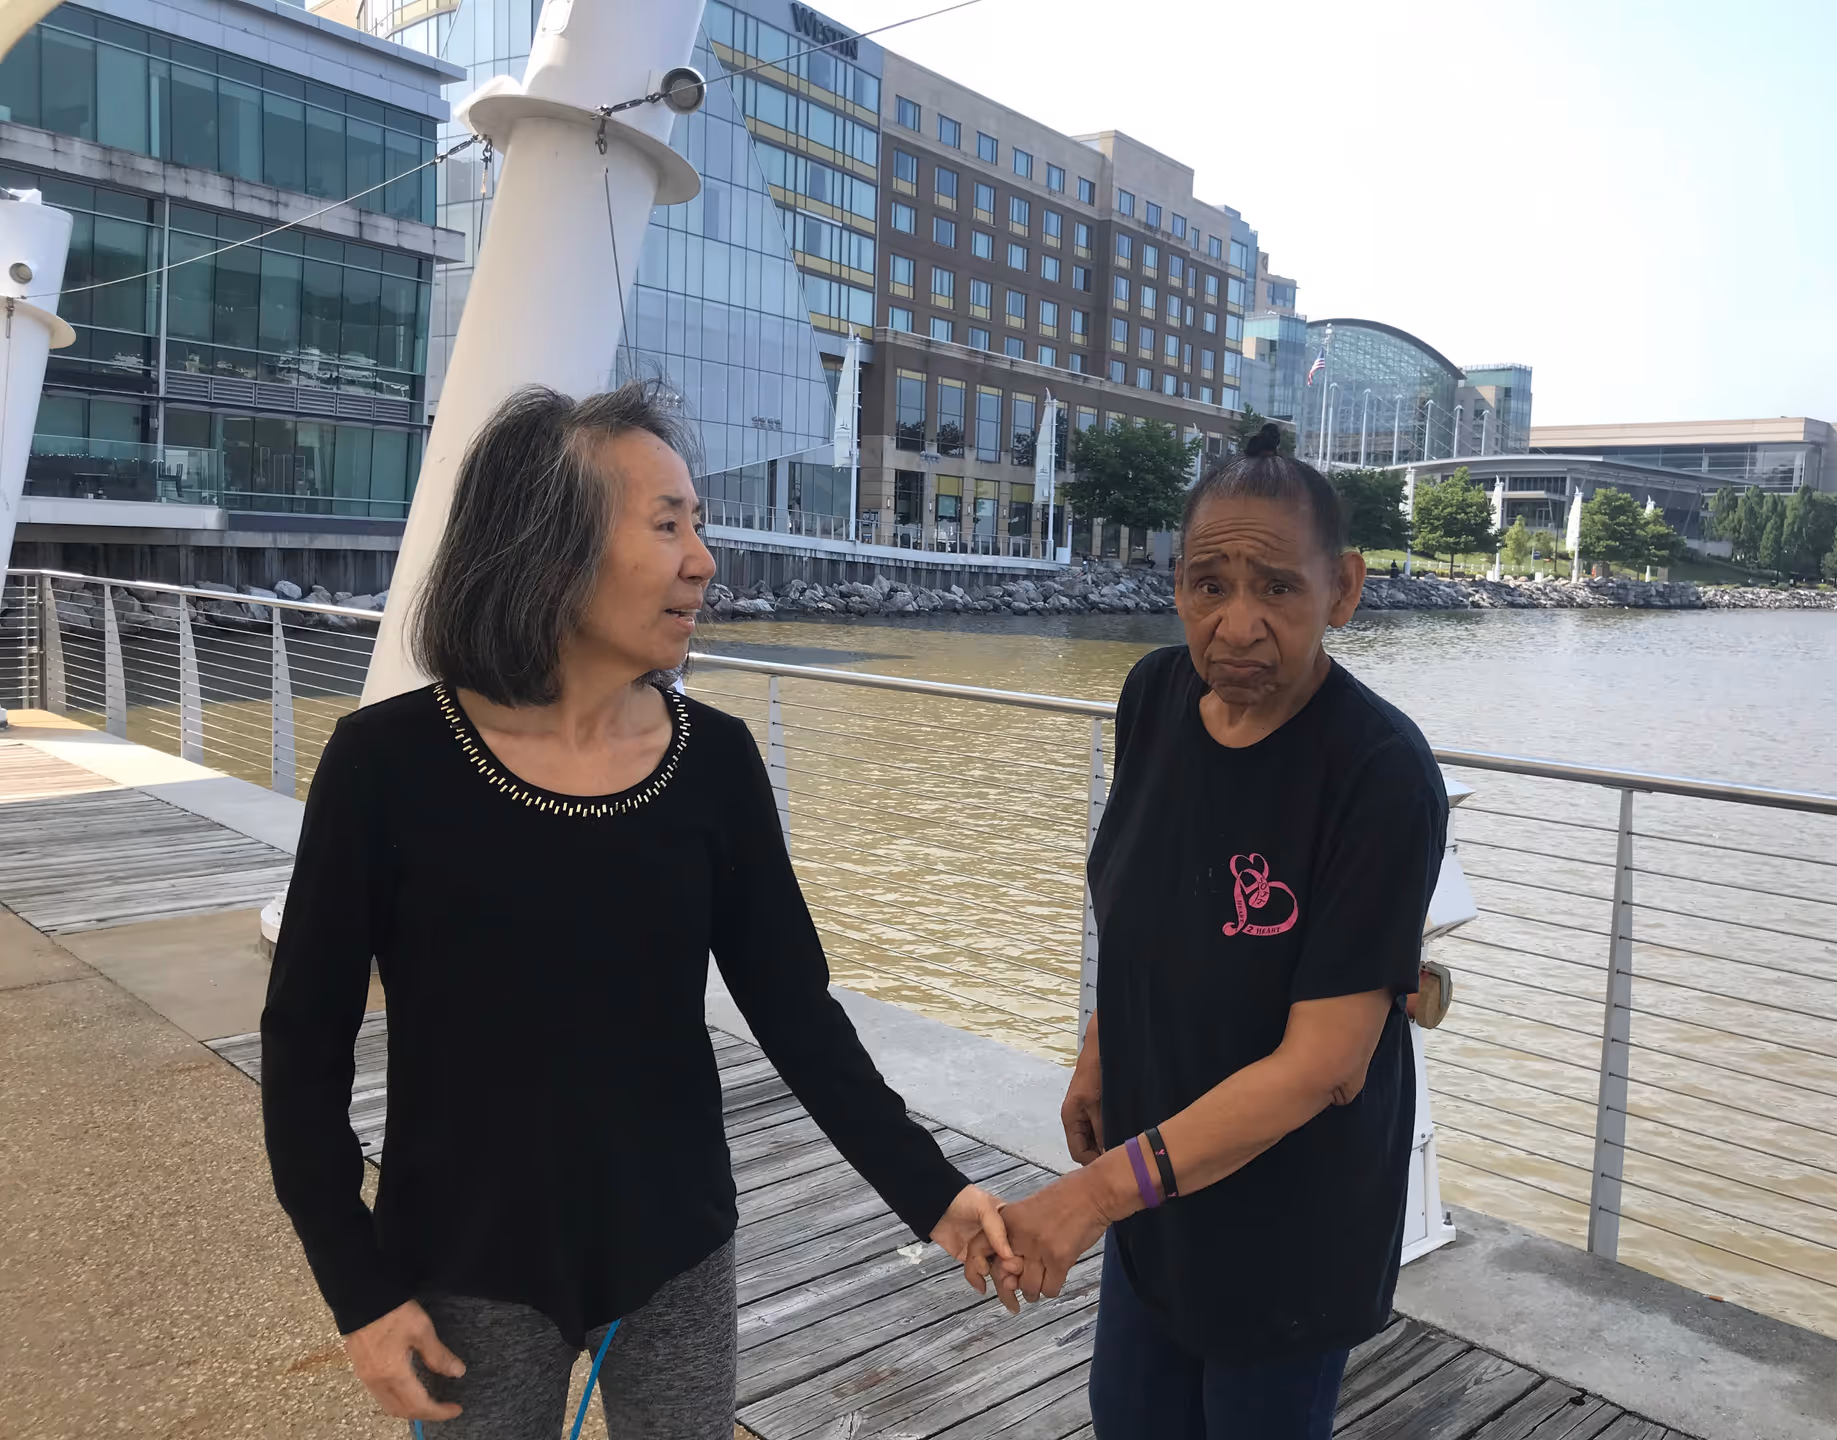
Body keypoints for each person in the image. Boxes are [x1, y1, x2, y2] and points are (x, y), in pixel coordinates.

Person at [262, 381, 1010, 1438]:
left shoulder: (717, 764)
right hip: (464, 1265)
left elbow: (797, 1014)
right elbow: (303, 1047)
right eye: (667, 526)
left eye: (697, 525)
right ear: (550, 545)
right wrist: (359, 1291)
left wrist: (932, 1192)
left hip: (677, 1254)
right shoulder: (385, 766)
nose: (703, 560)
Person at [973, 423, 1446, 1439]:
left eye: (1277, 587)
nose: (1237, 624)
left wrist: (1091, 1197)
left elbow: (1325, 1066)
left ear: (1344, 590)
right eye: (1208, 584)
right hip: (1161, 1185)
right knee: (1128, 1417)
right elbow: (1144, 910)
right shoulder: (1153, 696)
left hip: (1290, 1224)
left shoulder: (1378, 773)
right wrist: (1101, 1049)